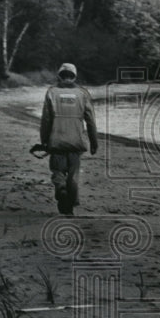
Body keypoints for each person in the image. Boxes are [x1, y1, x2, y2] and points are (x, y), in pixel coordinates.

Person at [39, 63, 98, 215]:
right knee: (73, 175)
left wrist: (44, 140)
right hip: (76, 141)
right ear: (74, 76)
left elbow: (46, 119)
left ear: (59, 75)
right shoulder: (83, 93)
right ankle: (70, 207)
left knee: (58, 171)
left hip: (56, 140)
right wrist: (93, 141)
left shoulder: (52, 92)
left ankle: (61, 188)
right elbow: (90, 120)